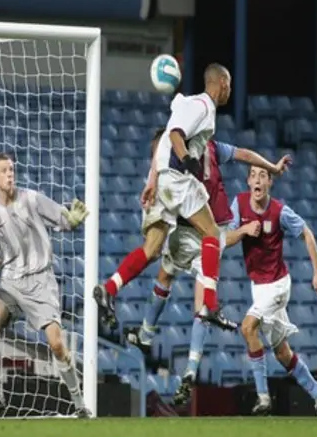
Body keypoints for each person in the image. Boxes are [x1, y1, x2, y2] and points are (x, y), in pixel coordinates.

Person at [122, 129, 291, 402]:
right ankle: (186, 369)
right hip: (209, 229)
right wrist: (271, 167)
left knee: (167, 276)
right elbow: (244, 154)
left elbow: (167, 178)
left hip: (199, 230)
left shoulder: (180, 157)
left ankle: (150, 337)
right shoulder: (212, 147)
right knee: (197, 300)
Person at [94, 63, 236, 330]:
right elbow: (175, 134)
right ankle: (210, 304)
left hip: (163, 180)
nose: (231, 89)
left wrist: (152, 178)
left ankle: (109, 288)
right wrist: (187, 160)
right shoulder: (203, 106)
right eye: (229, 83)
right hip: (177, 179)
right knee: (213, 234)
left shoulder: (187, 104)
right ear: (222, 82)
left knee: (152, 249)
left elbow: (163, 141)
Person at [0, 152, 91, 417]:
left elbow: (62, 218)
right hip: (12, 283)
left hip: (41, 282)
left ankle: (80, 404)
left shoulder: (32, 199)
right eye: (3, 170)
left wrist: (71, 220)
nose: (9, 174)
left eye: (12, 169)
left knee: (57, 345)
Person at [228, 165, 317, 417]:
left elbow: (307, 233)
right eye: (253, 175)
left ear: (270, 183)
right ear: (247, 181)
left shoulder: (279, 211)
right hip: (259, 287)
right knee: (281, 352)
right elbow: (225, 238)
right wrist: (243, 230)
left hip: (277, 285)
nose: (257, 179)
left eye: (262, 175)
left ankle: (263, 397)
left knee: (247, 327)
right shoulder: (239, 204)